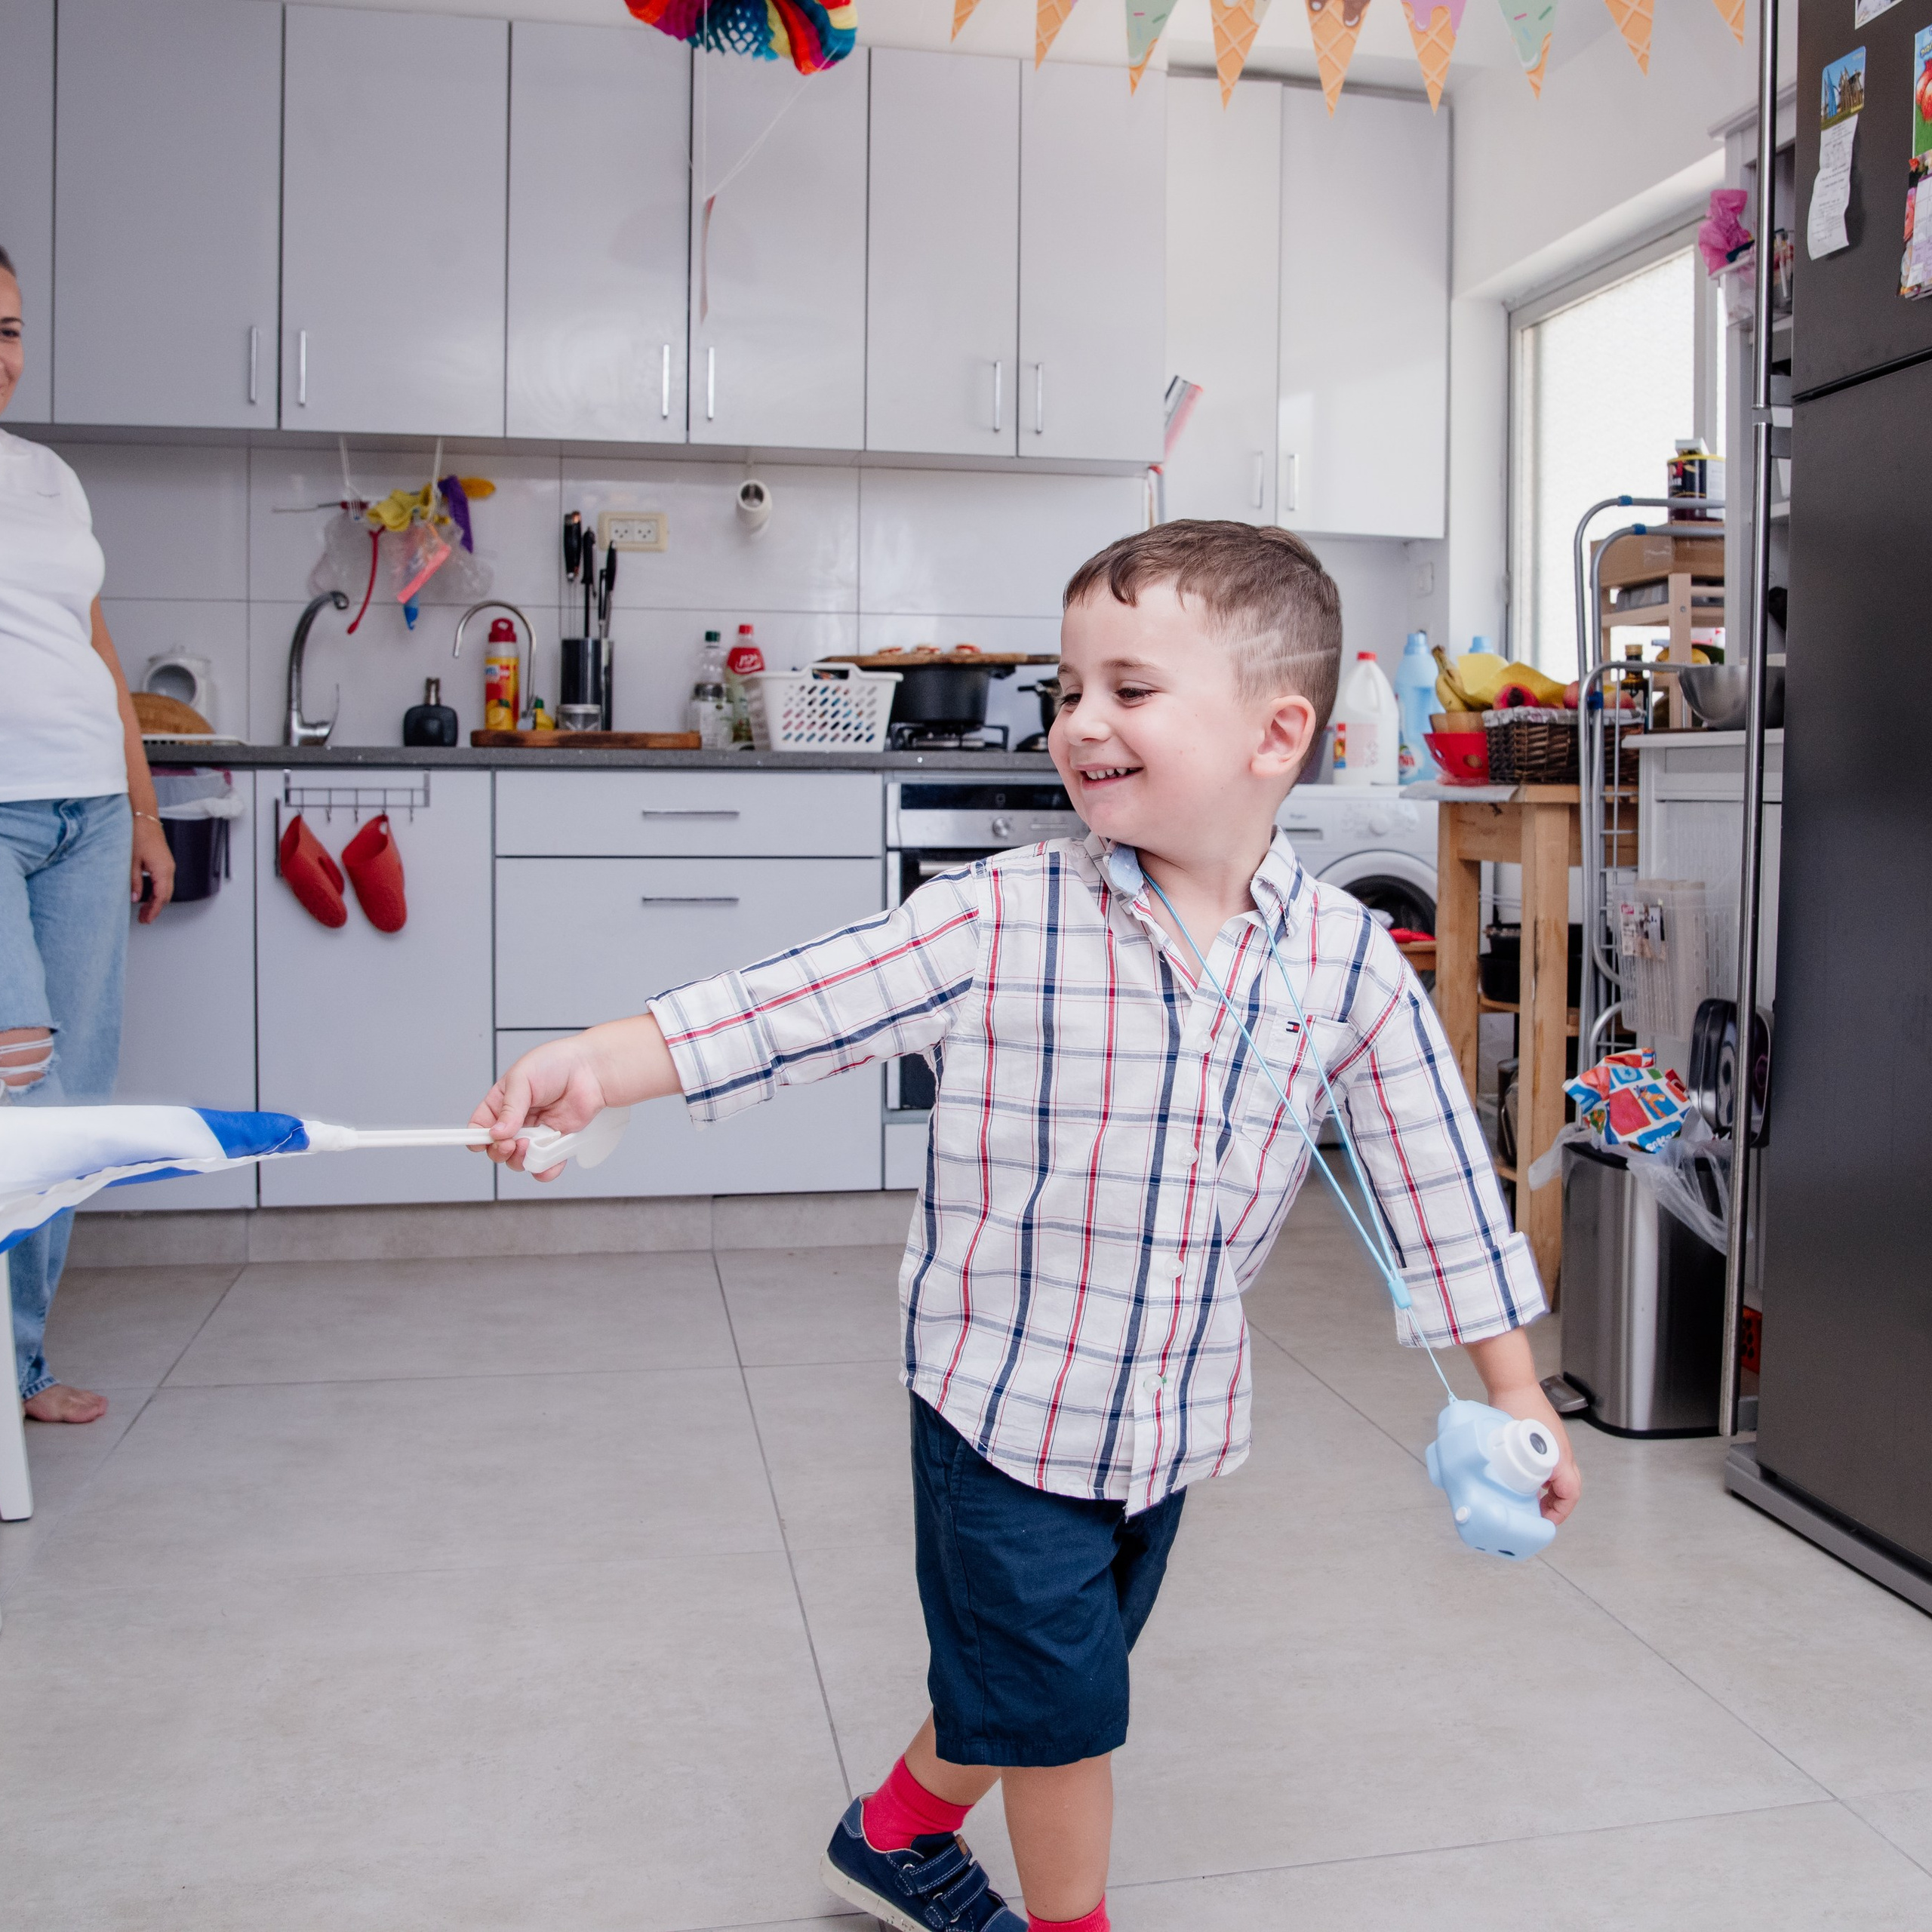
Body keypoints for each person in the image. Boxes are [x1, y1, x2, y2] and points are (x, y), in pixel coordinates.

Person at [470, 521, 1581, 1932]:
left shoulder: (1346, 962)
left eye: (1131, 688)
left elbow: (1437, 1183)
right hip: (1001, 1414)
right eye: (1069, 691)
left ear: (1277, 733)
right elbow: (792, 1004)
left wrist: (1512, 1390)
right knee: (1062, 1716)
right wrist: (602, 1059)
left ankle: (892, 1834)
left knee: (1035, 1681)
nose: (1080, 723)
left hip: (1166, 1420)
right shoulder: (1004, 914)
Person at [1, 243, 175, 1425]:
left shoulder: (50, 478)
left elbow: (99, 653)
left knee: (74, 1104)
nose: (1, 355)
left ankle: (18, 1366)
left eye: (11, 329)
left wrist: (144, 813)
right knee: (20, 1086)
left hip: (89, 811)